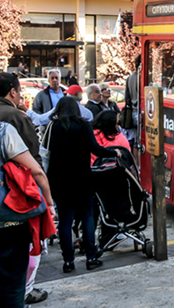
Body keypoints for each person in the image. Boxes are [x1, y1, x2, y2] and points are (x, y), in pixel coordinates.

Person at [0, 77, 55, 308]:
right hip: (7, 221)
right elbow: (36, 171)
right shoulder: (2, 131)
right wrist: (48, 203)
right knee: (12, 290)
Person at [0, 73, 49, 304]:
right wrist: (47, 198)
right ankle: (22, 291)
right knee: (21, 254)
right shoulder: (14, 116)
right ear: (13, 91)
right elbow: (34, 160)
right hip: (17, 191)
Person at [46, 97, 120, 273]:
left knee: (65, 220)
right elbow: (95, 148)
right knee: (87, 216)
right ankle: (91, 257)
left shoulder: (54, 126)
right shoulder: (84, 125)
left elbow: (49, 152)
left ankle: (68, 261)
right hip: (82, 178)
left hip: (60, 180)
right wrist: (113, 152)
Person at [27, 85, 93, 126]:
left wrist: (26, 110)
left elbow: (39, 120)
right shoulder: (88, 114)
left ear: (69, 96)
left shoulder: (59, 110)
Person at [124, 55, 141, 149]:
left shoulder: (130, 78)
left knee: (135, 140)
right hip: (140, 111)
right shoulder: (142, 78)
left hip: (133, 112)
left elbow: (127, 97)